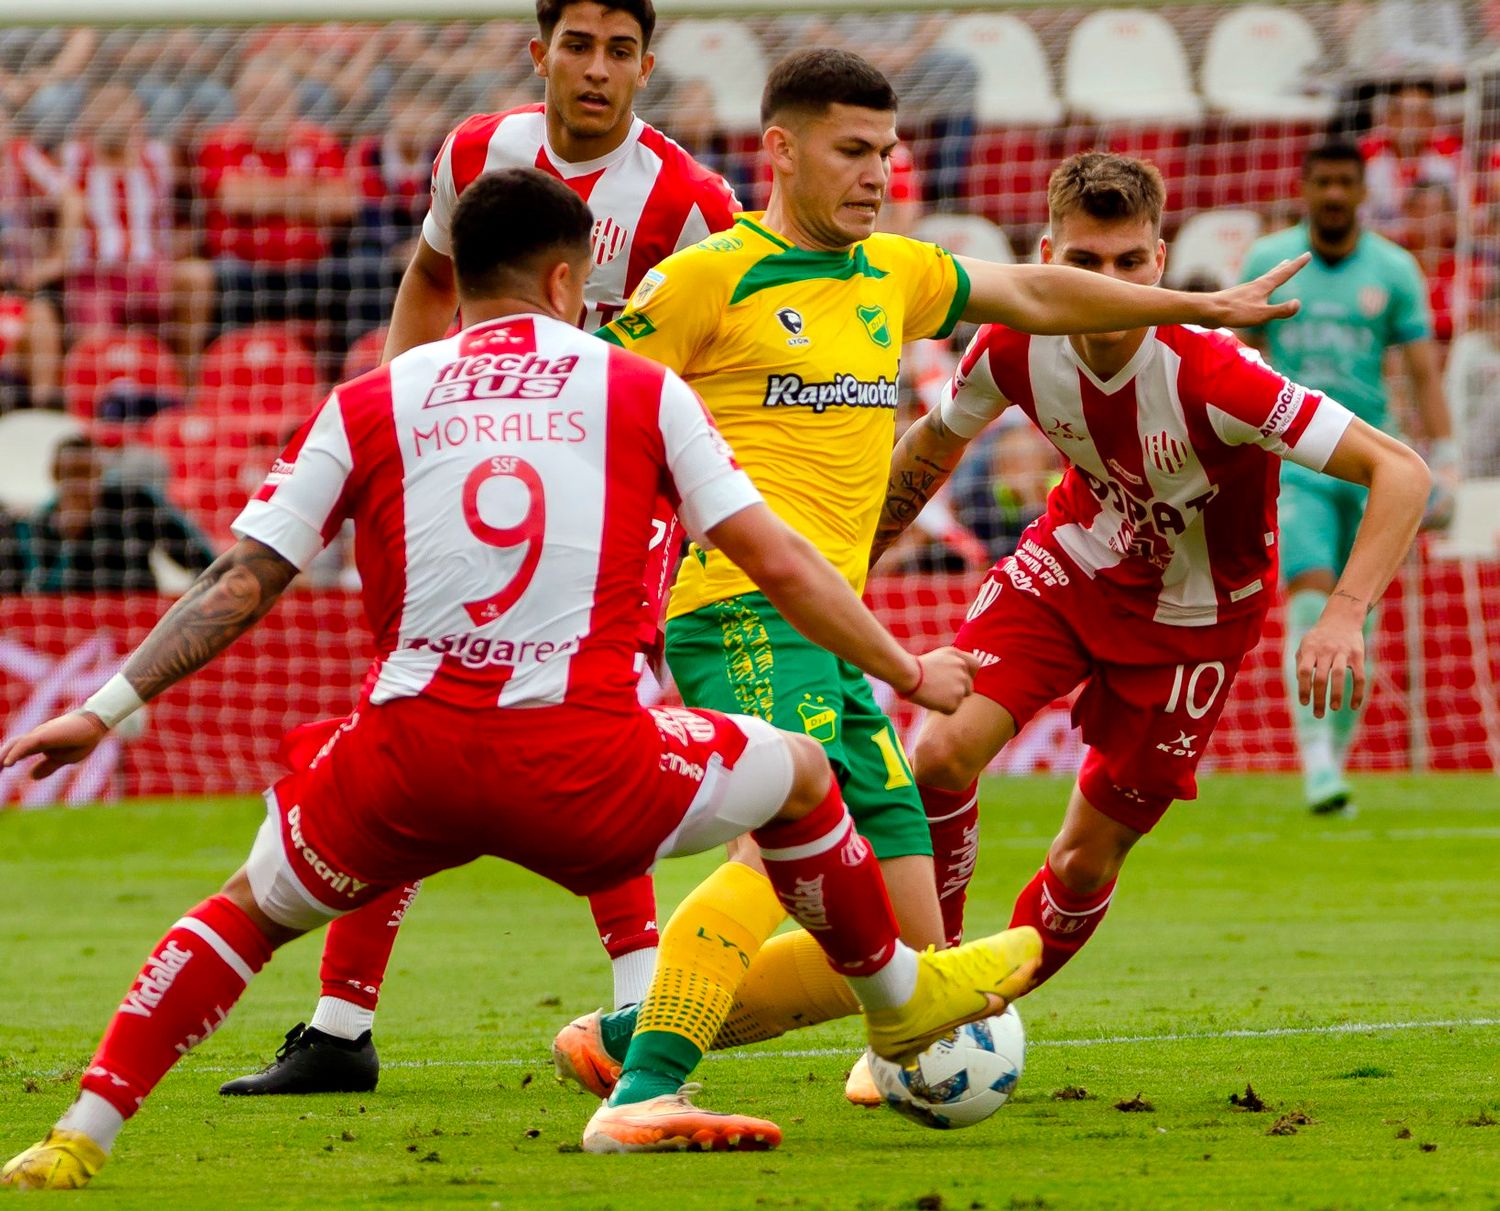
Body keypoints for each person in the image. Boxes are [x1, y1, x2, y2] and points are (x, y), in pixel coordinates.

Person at [0, 168, 1044, 1187]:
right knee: (804, 773)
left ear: (456, 279)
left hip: (405, 762)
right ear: (567, 280)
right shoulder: (640, 388)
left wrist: (103, 709)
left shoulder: (369, 398)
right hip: (583, 766)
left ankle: (80, 1133)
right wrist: (907, 666)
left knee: (242, 910)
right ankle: (895, 1001)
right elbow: (776, 558)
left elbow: (242, 578)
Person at [550, 51, 1309, 1109]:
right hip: (741, 608)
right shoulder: (706, 277)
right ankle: (647, 1088)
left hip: (831, 623)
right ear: (782, 150)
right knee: (788, 841)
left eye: (888, 152)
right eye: (852, 151)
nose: (878, 173)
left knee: (903, 950)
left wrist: (1201, 302)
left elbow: (1035, 289)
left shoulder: (895, 273)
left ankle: (630, 1035)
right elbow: (588, 413)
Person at [221, 0, 742, 1099]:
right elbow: (428, 281)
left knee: (586, 712)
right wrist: (397, 431)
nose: (596, 70)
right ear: (539, 51)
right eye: (578, 45)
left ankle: (643, 1006)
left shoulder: (691, 200)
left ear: (647, 66)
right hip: (476, 472)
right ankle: (341, 1026)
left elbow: (724, 352)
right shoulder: (475, 152)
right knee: (414, 710)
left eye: (619, 52)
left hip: (618, 489)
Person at [1239, 140, 1455, 814]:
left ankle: (1334, 755)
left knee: (1357, 612)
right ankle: (1317, 767)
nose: (1333, 194)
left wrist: (1445, 455)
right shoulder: (1268, 260)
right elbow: (1237, 360)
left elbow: (1422, 371)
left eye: (1345, 183)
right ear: (1304, 189)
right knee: (1310, 599)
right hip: (1294, 459)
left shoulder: (1394, 269)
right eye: (1322, 182)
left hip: (1372, 463)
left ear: (1363, 192)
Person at [15, 436, 217, 593]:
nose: (79, 484)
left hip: (134, 617)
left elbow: (199, 557)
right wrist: (70, 540)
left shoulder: (134, 503)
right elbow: (32, 591)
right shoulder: (38, 524)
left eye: (86, 472)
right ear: (54, 475)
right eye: (70, 473)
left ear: (100, 472)